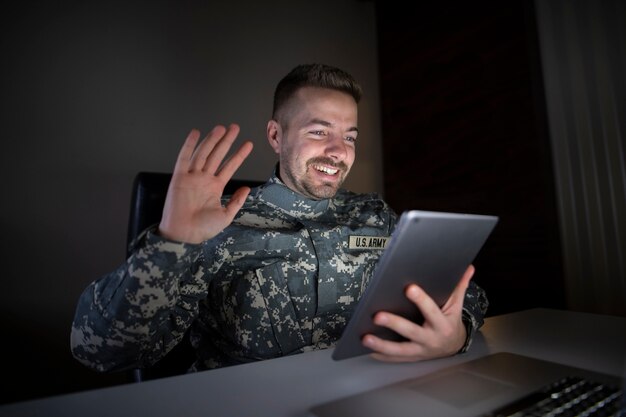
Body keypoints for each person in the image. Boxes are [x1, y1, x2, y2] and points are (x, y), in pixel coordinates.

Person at [71, 63, 488, 373]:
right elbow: (103, 351)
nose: (339, 152)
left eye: (349, 136)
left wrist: (456, 335)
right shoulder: (214, 223)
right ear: (277, 135)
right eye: (319, 131)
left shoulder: (375, 215)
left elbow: (460, 293)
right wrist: (171, 244)